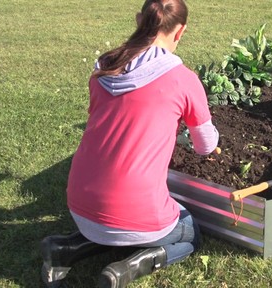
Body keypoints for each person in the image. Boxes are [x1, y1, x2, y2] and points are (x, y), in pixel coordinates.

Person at [40, 0, 219, 287]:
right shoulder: (184, 80)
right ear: (180, 31)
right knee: (190, 233)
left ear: (139, 20)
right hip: (137, 211)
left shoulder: (104, 67)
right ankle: (127, 268)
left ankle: (66, 248)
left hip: (78, 201)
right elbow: (205, 146)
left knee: (114, 226)